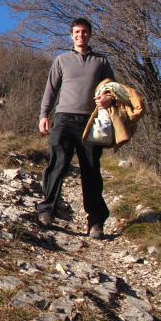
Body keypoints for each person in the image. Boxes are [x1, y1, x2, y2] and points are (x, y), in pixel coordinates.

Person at [37, 18, 115, 239]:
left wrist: (108, 99)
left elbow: (112, 89)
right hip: (63, 119)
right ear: (71, 35)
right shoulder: (62, 60)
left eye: (84, 32)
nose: (81, 35)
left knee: (91, 170)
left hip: (91, 122)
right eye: (77, 32)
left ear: (90, 34)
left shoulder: (101, 61)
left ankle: (96, 222)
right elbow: (50, 90)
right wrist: (44, 115)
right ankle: (46, 211)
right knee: (57, 164)